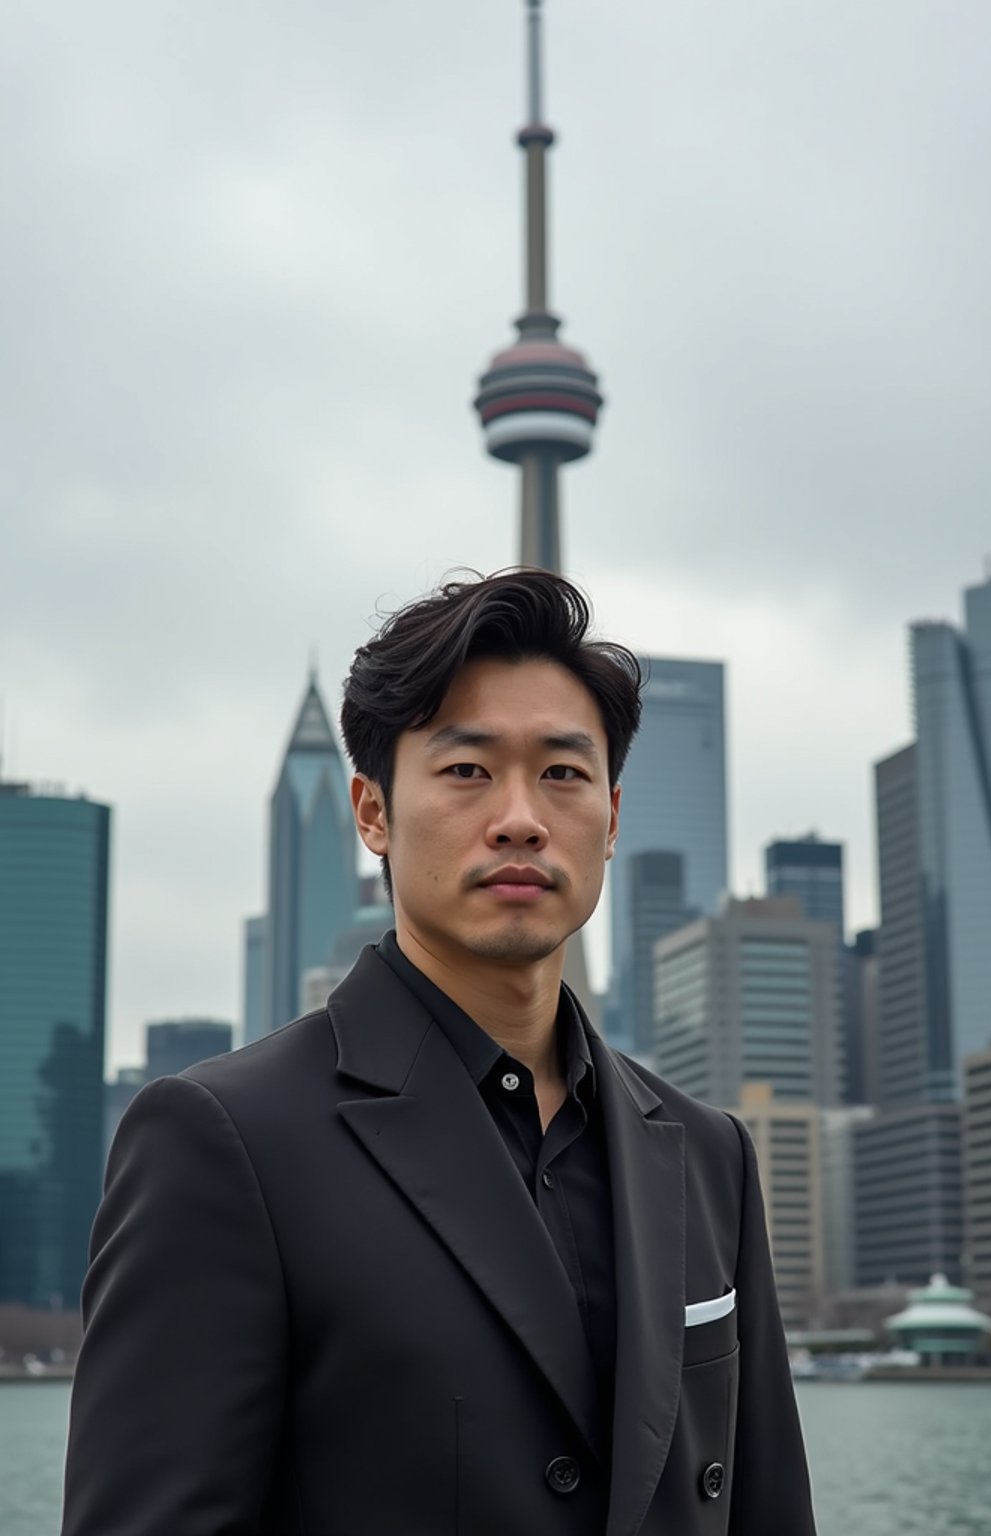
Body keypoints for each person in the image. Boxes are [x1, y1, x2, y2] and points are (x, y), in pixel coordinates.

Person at [62, 569, 816, 1536]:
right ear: (371, 812)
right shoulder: (224, 1141)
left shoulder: (710, 1153)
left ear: (613, 819)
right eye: (466, 770)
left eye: (563, 772)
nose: (521, 817)